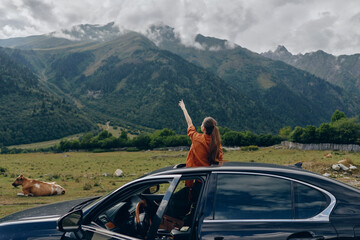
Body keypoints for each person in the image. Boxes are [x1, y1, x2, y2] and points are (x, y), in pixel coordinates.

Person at [178, 99, 223, 172]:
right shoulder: (217, 143)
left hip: (197, 176)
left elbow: (189, 123)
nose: (200, 125)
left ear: (204, 129)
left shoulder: (197, 138)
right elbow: (220, 161)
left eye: (202, 123)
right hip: (210, 177)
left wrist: (184, 108)